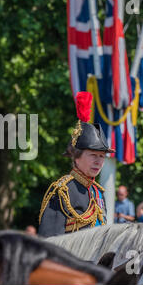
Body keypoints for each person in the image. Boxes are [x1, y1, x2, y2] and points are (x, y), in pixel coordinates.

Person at [38, 91, 114, 237]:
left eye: (102, 156)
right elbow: (50, 241)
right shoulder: (62, 191)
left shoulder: (97, 193)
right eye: (93, 155)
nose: (98, 161)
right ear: (76, 157)